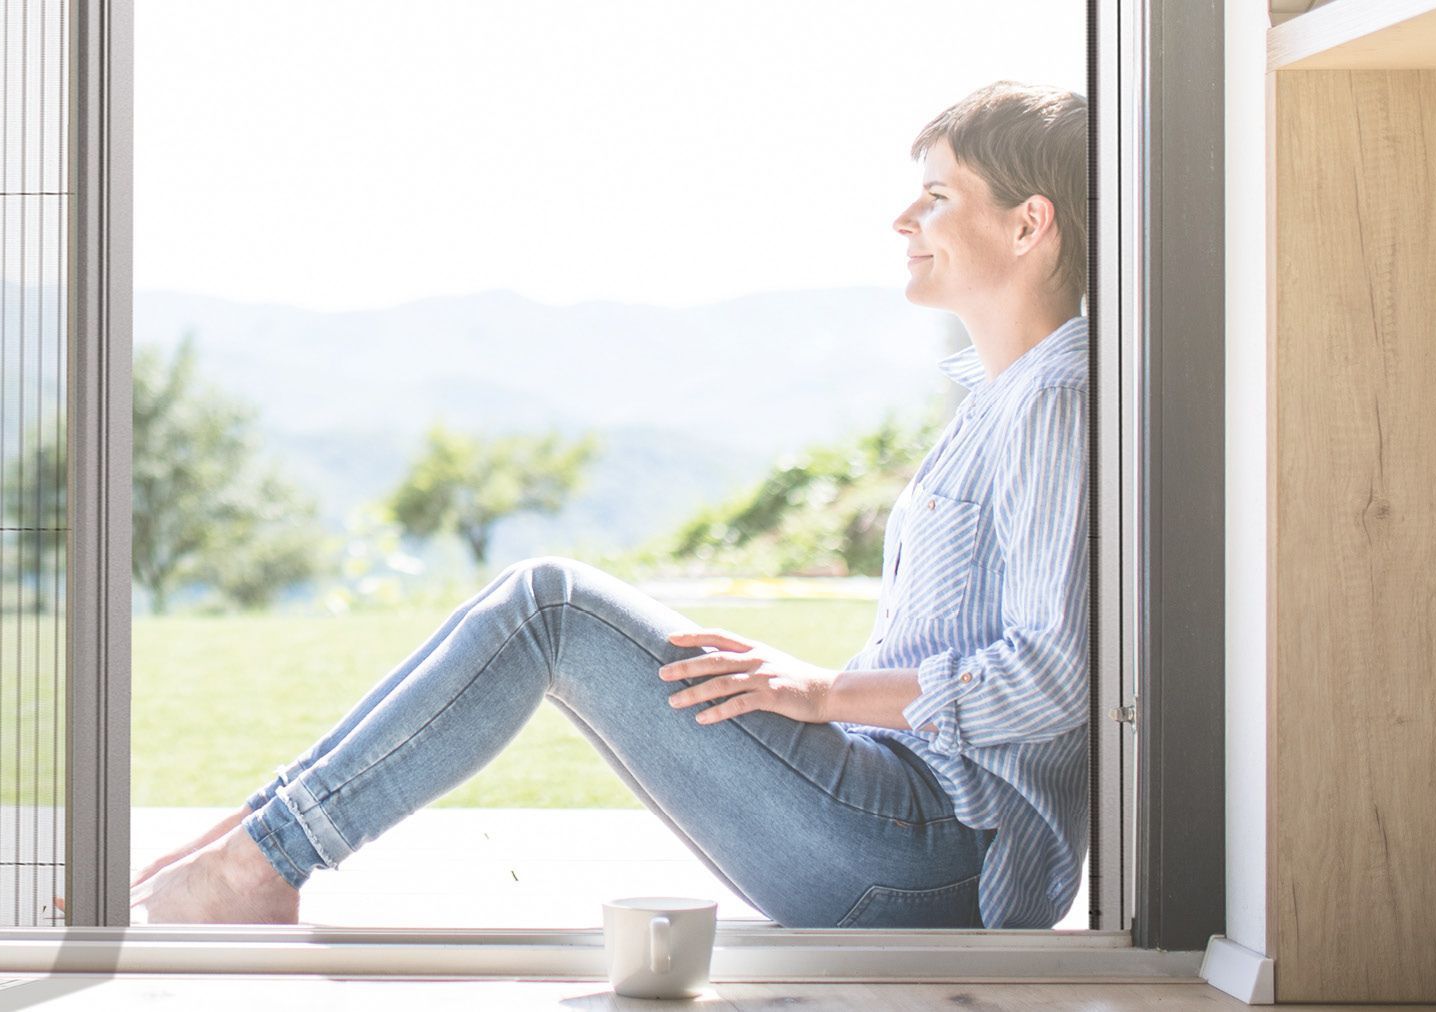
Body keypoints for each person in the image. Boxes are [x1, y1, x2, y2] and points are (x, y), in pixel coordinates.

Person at [111, 79, 1090, 930]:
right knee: (542, 607)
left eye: (937, 195)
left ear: (1028, 224)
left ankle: (253, 864)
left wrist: (827, 695)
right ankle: (246, 845)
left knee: (554, 608)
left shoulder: (1054, 400)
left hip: (941, 850)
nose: (903, 219)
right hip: (900, 821)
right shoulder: (999, 398)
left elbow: (1058, 675)